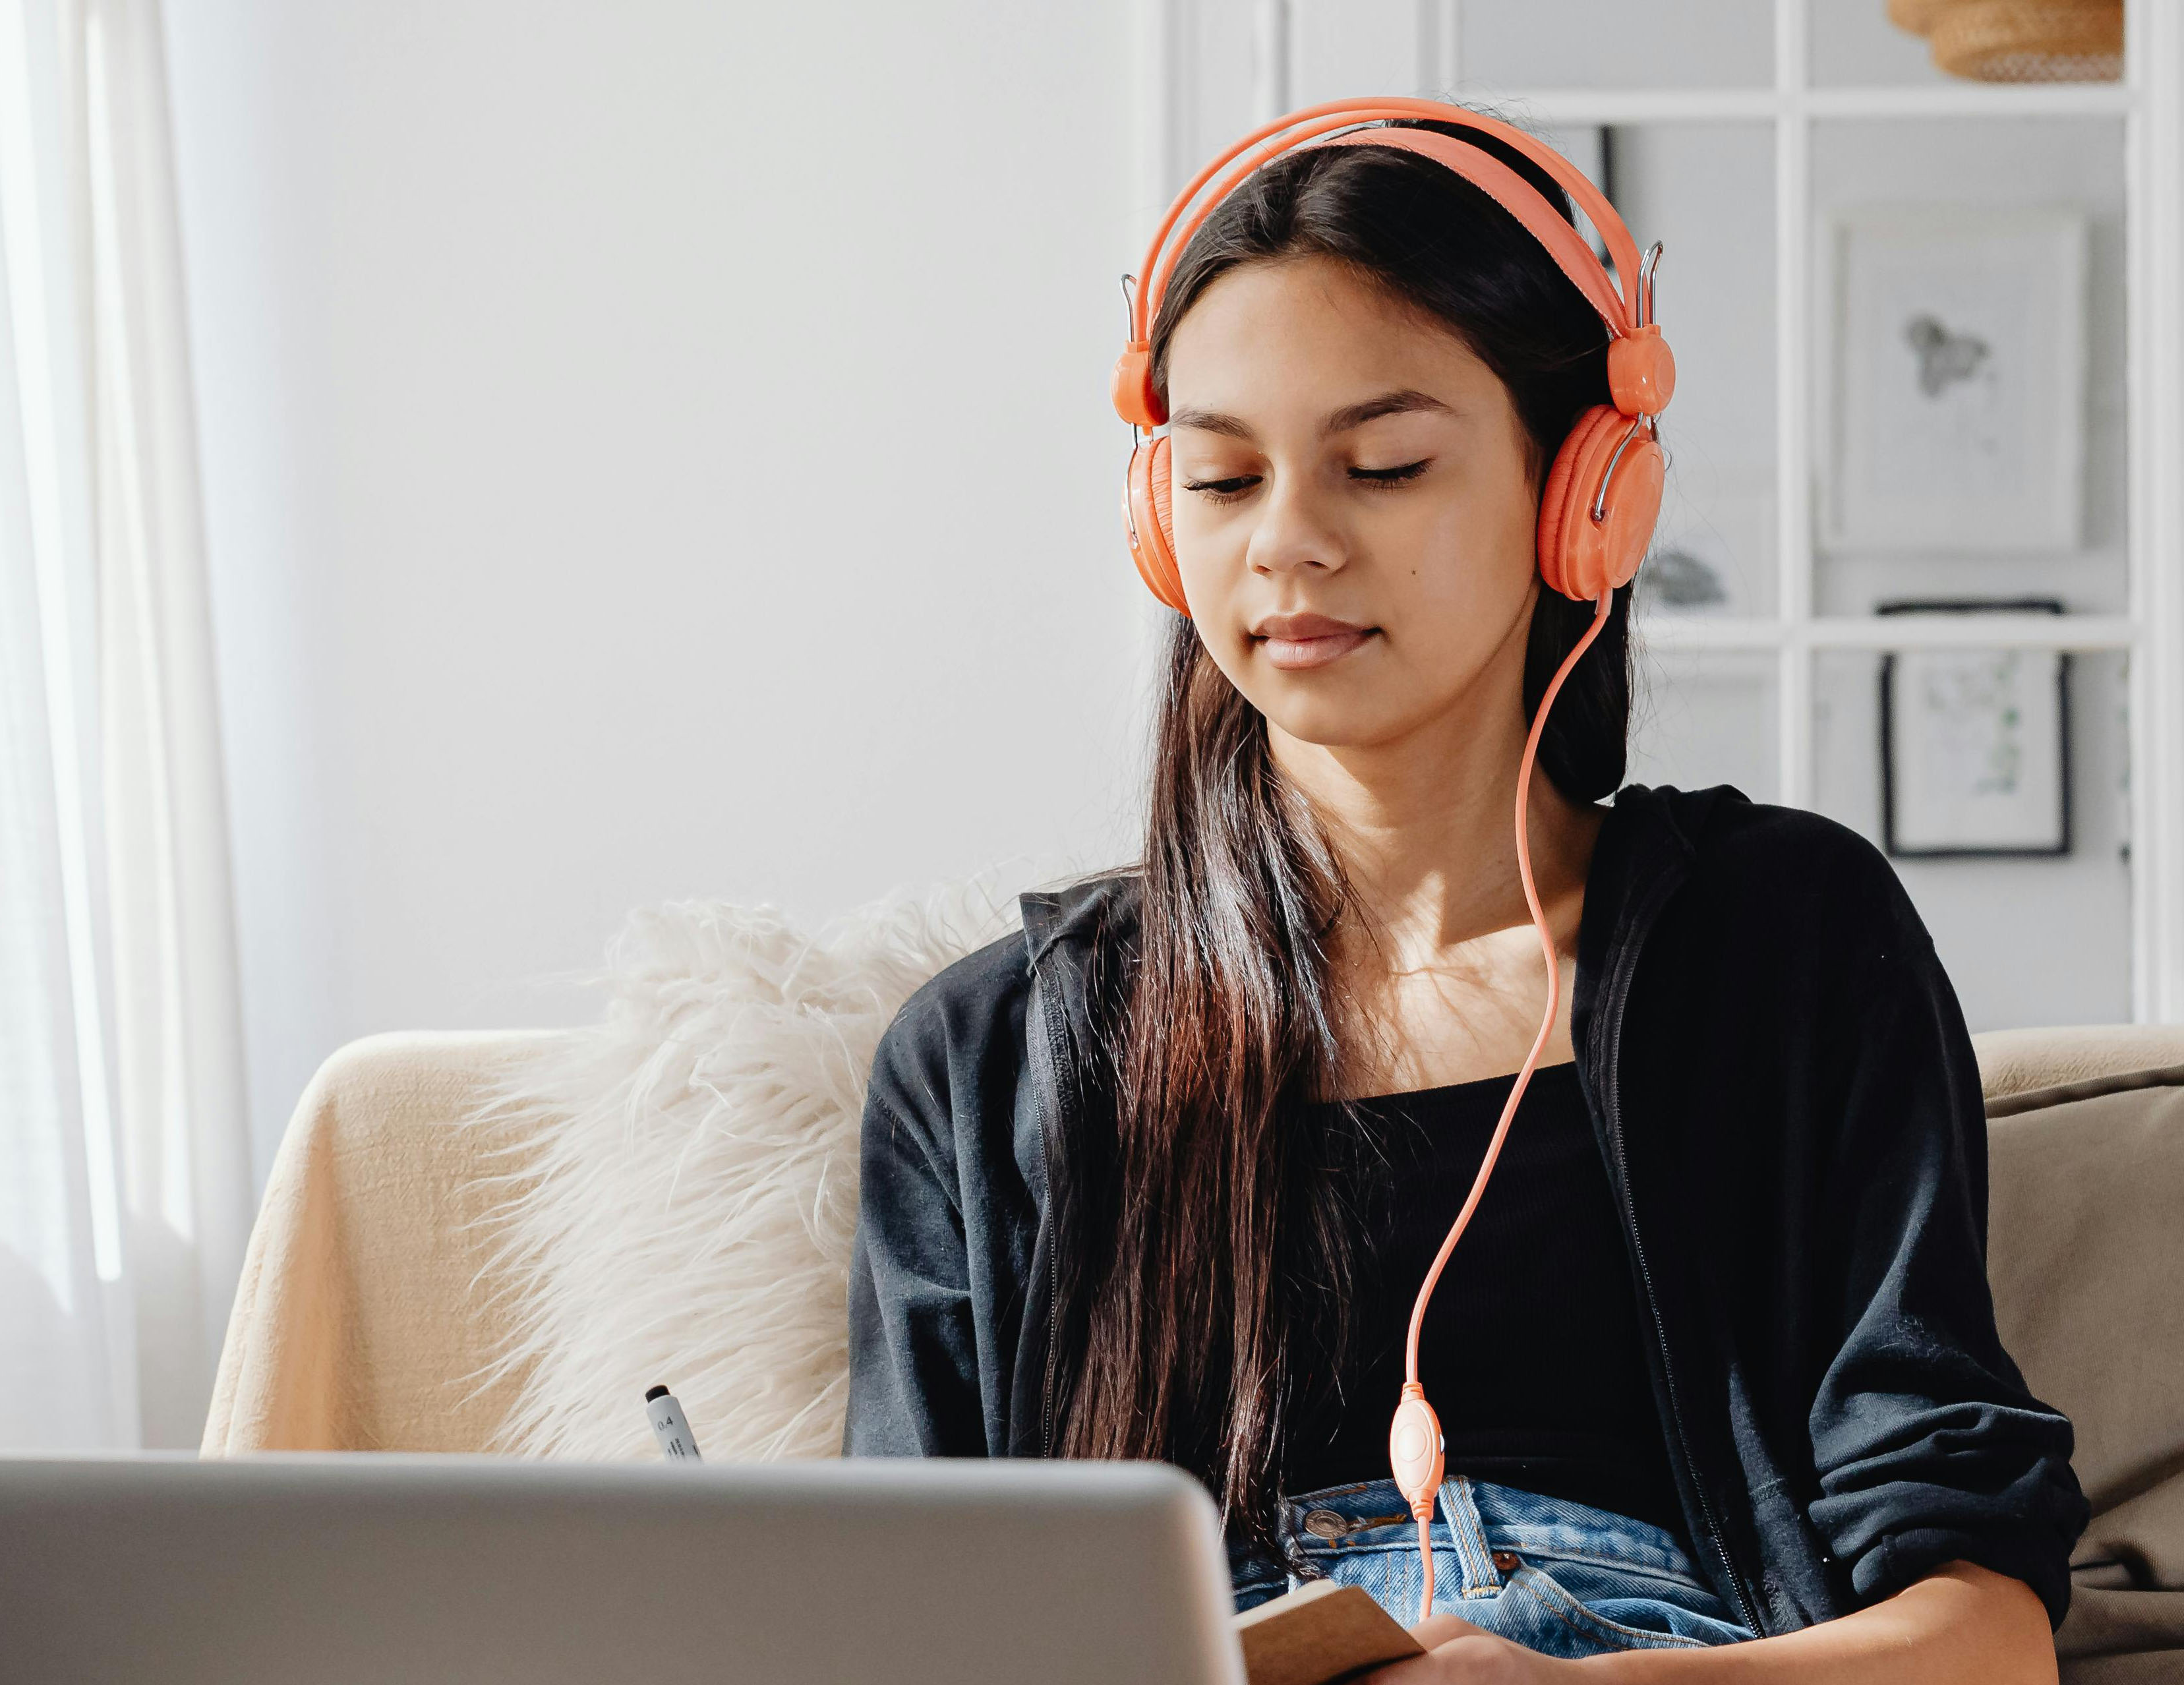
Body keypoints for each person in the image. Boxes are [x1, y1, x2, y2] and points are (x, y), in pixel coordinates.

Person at [841, 102, 2087, 1680]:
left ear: (1588, 496)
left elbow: (1980, 1638)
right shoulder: (988, 1059)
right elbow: (892, 1627)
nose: (1286, 544)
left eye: (1381, 464)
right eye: (1220, 482)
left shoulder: (1783, 943)